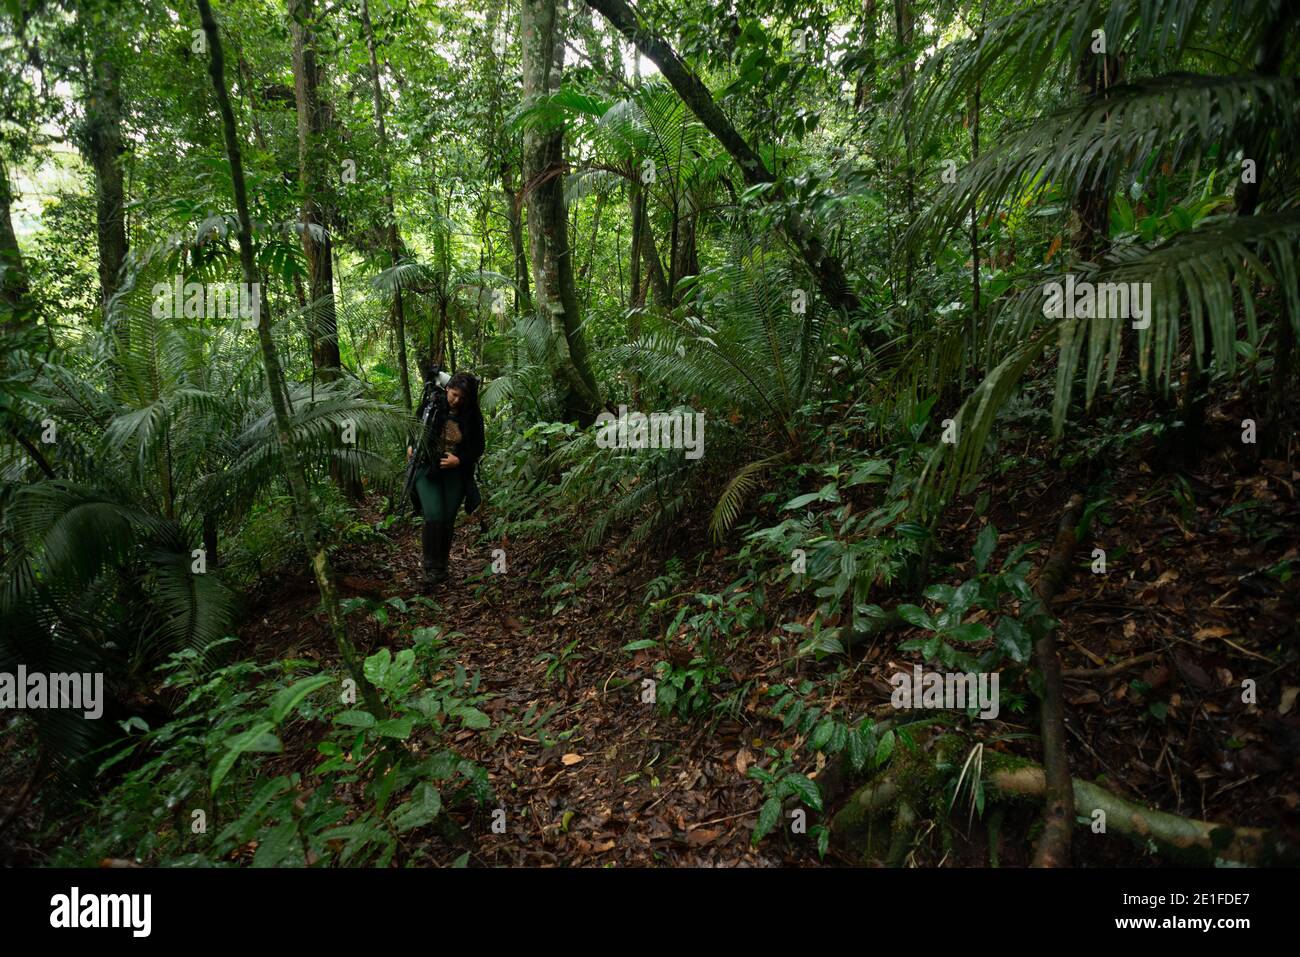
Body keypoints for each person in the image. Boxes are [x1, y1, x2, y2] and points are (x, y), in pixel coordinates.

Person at [407, 368, 484, 588]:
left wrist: (459, 460)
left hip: (456, 472)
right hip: (426, 468)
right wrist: (411, 446)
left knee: (448, 517)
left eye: (462, 397)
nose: (456, 400)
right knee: (434, 513)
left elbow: (478, 446)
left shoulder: (472, 416)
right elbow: (414, 427)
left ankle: (441, 568)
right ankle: (430, 568)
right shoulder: (432, 404)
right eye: (454, 394)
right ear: (447, 388)